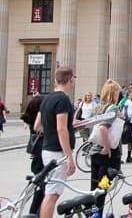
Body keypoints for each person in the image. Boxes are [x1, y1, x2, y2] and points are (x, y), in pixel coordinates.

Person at [37, 67, 77, 218]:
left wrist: (54, 130)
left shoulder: (47, 98)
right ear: (70, 79)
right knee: (53, 193)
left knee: (51, 191)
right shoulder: (63, 99)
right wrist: (69, 157)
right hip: (57, 152)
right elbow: (61, 129)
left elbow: (37, 125)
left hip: (47, 149)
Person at [88, 80, 122, 213]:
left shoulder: (97, 108)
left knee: (94, 189)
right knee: (103, 187)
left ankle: (93, 213)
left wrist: (93, 140)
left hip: (95, 152)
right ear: (114, 93)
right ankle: (98, 214)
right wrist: (107, 147)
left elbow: (86, 128)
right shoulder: (113, 108)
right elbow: (103, 128)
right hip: (107, 154)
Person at [22, 94, 45, 215]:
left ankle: (36, 213)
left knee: (40, 191)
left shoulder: (32, 119)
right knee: (41, 191)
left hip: (36, 158)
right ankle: (34, 214)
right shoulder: (38, 123)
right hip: (41, 157)